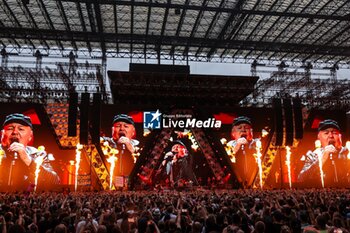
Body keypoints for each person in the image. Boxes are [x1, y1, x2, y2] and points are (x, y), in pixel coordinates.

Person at [0, 113, 60, 191]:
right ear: (2, 134)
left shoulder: (37, 155)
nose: (15, 132)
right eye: (10, 128)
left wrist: (28, 160)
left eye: (21, 129)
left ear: (30, 136)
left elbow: (54, 181)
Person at [298, 119, 349, 186]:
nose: (331, 136)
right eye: (326, 133)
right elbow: (301, 178)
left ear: (340, 136)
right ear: (319, 137)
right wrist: (322, 159)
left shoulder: (347, 153)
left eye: (334, 133)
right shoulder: (314, 155)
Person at [227, 116, 259, 188]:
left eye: (246, 128)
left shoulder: (257, 143)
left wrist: (247, 147)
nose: (243, 130)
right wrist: (238, 146)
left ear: (251, 132)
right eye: (239, 128)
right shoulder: (229, 145)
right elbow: (228, 160)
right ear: (233, 133)